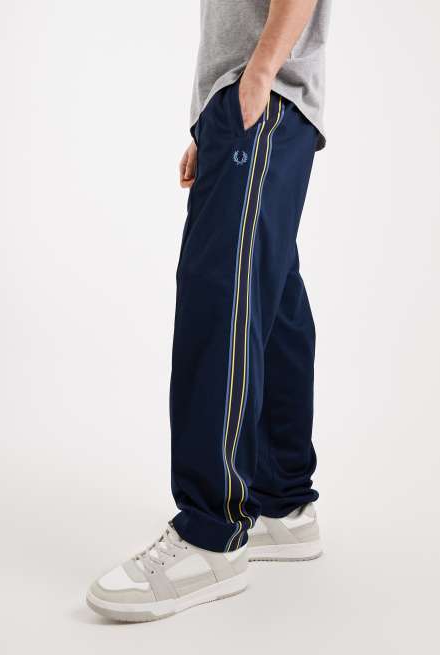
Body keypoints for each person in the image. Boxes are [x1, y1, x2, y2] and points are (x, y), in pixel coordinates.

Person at [87, 0, 331, 622]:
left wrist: (257, 77)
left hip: (262, 96)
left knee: (219, 300)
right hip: (250, 103)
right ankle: (282, 503)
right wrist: (211, 120)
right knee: (272, 300)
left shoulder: (261, 86)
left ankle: (210, 533)